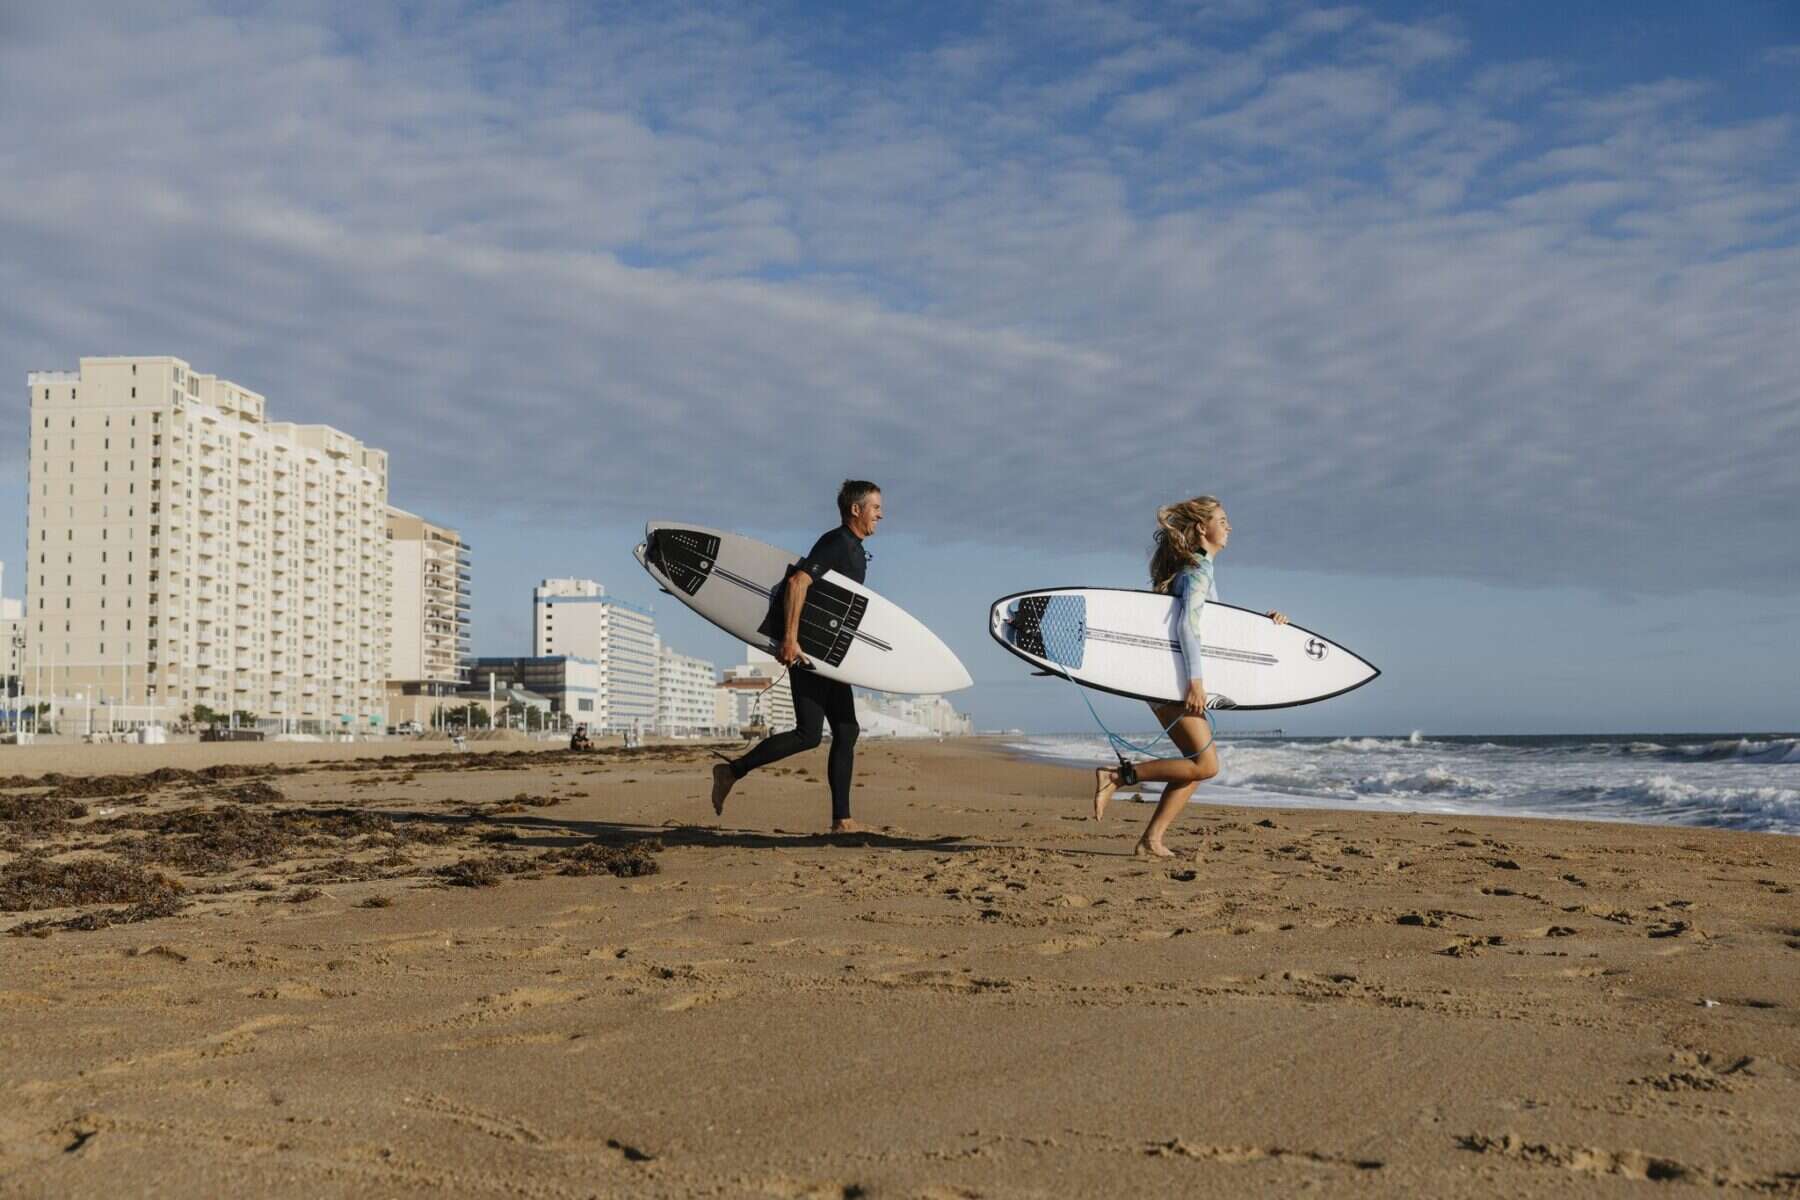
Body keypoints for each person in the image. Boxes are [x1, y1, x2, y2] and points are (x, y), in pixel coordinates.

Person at [1092, 496, 1289, 857]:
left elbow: (1212, 631)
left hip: (1166, 680)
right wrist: (1195, 682)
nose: (1229, 527)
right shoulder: (1198, 571)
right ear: (1202, 528)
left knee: (1196, 766)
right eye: (1222, 520)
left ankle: (1151, 840)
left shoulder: (1194, 569)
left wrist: (1265, 626)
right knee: (1205, 764)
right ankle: (1117, 777)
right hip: (1175, 683)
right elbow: (1187, 628)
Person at [711, 480, 879, 833]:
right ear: (856, 509)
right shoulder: (836, 543)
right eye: (875, 508)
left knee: (847, 729)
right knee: (809, 734)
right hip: (808, 651)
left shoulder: (854, 549)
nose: (880, 514)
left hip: (829, 655)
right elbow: (797, 582)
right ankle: (732, 771)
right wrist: (790, 639)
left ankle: (842, 820)